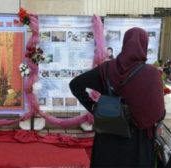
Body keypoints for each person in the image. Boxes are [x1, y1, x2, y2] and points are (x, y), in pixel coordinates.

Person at [70, 27, 165, 167]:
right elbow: (159, 113)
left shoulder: (107, 69)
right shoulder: (151, 74)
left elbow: (75, 84)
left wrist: (93, 108)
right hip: (137, 140)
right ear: (144, 45)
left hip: (109, 133)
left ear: (125, 43)